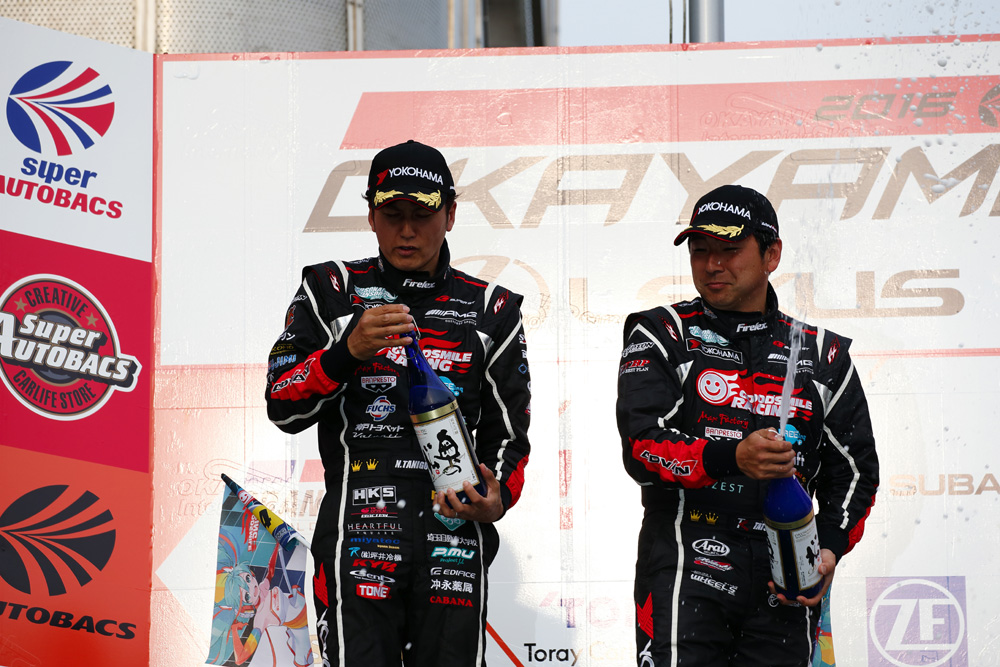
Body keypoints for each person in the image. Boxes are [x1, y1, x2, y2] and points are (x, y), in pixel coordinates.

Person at [265, 140, 531, 667]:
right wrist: (345, 353)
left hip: (453, 534)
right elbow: (281, 404)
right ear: (371, 216)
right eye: (392, 215)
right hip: (359, 532)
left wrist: (498, 497)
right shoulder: (330, 289)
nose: (407, 230)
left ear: (449, 215)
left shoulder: (492, 308)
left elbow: (509, 436)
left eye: (422, 215)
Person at [616, 184, 878, 666]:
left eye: (730, 250)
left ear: (771, 254)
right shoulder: (661, 332)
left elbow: (856, 472)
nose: (713, 264)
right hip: (685, 558)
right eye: (700, 250)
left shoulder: (823, 353)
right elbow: (642, 445)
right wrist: (732, 457)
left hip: (787, 569)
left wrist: (828, 547)